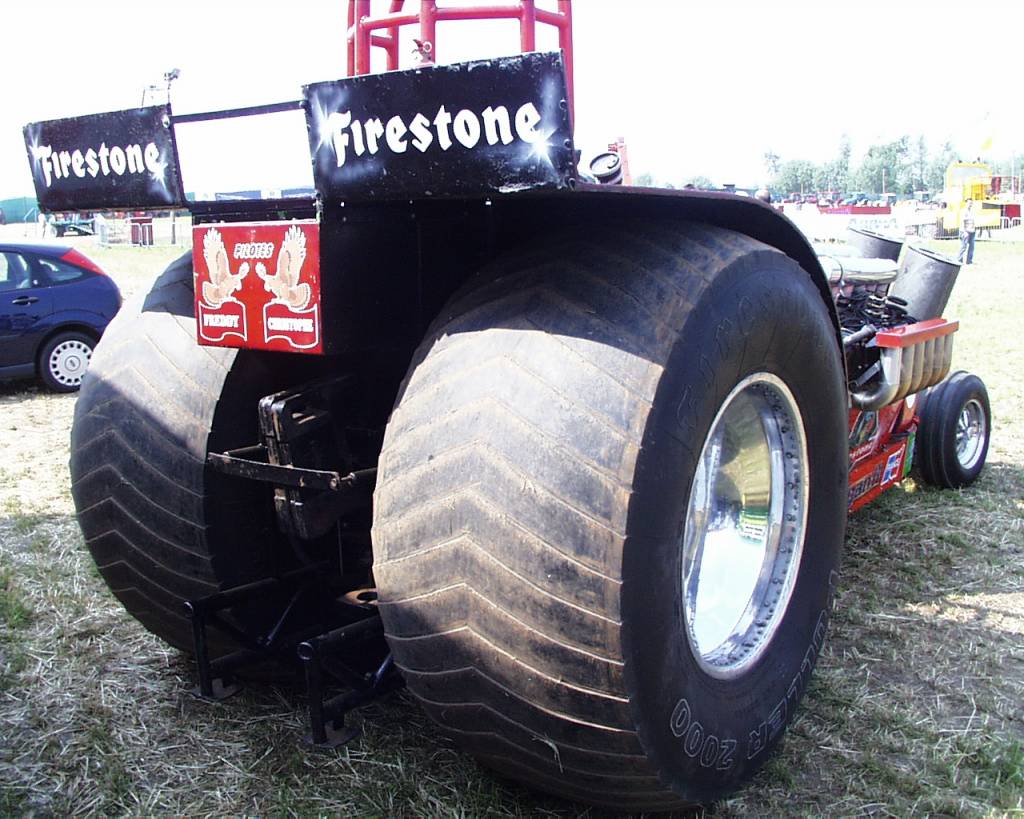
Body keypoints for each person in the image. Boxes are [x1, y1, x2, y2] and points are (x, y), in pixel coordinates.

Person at [959, 199, 977, 265]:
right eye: (969, 203)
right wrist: (964, 231)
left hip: (972, 231)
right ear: (966, 203)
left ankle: (969, 261)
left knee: (972, 247)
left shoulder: (972, 211)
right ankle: (959, 260)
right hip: (965, 231)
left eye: (971, 203)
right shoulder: (964, 211)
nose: (970, 204)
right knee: (963, 246)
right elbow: (962, 222)